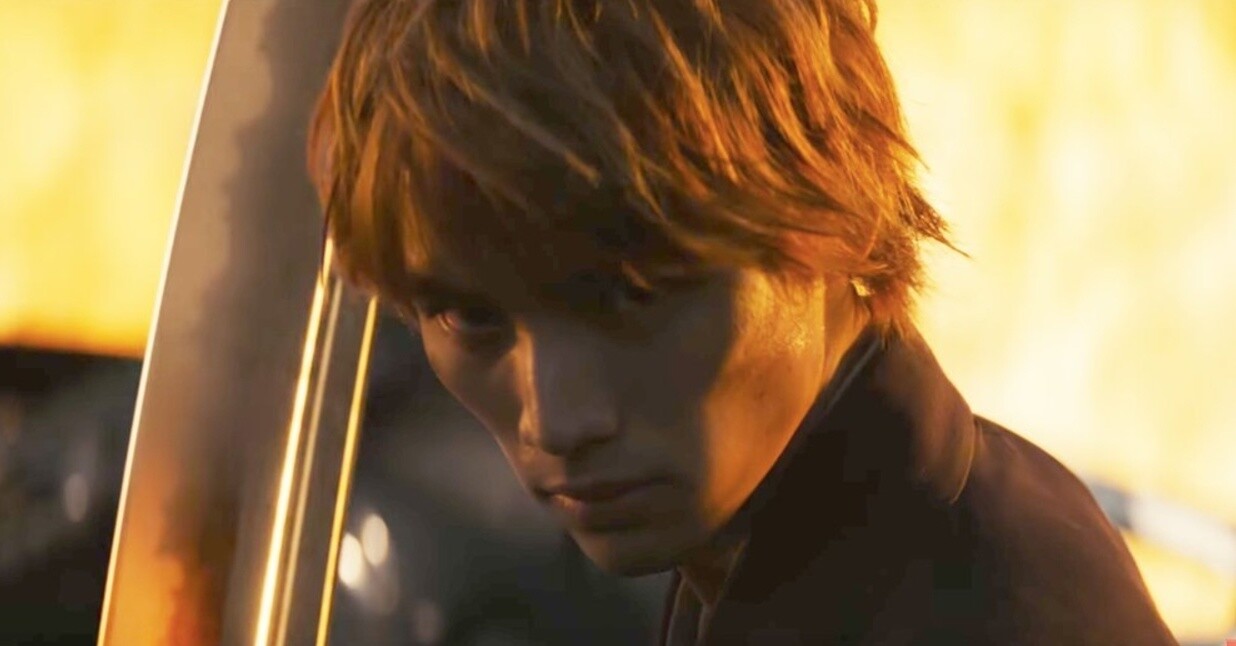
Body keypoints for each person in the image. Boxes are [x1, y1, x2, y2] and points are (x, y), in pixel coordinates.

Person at [306, 0, 1177, 643]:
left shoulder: (986, 608)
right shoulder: (795, 559)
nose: (558, 420)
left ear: (831, 218)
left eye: (631, 293)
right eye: (470, 315)